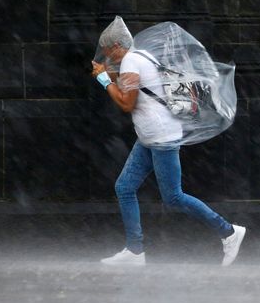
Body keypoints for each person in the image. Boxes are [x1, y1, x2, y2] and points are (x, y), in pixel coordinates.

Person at [91, 18, 246, 267]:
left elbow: (126, 103)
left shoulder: (130, 60)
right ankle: (134, 251)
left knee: (173, 197)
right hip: (149, 137)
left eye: (108, 50)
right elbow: (137, 86)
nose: (107, 55)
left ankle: (228, 232)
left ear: (118, 46)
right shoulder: (141, 56)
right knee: (124, 187)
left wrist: (104, 81)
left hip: (160, 137)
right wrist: (110, 75)